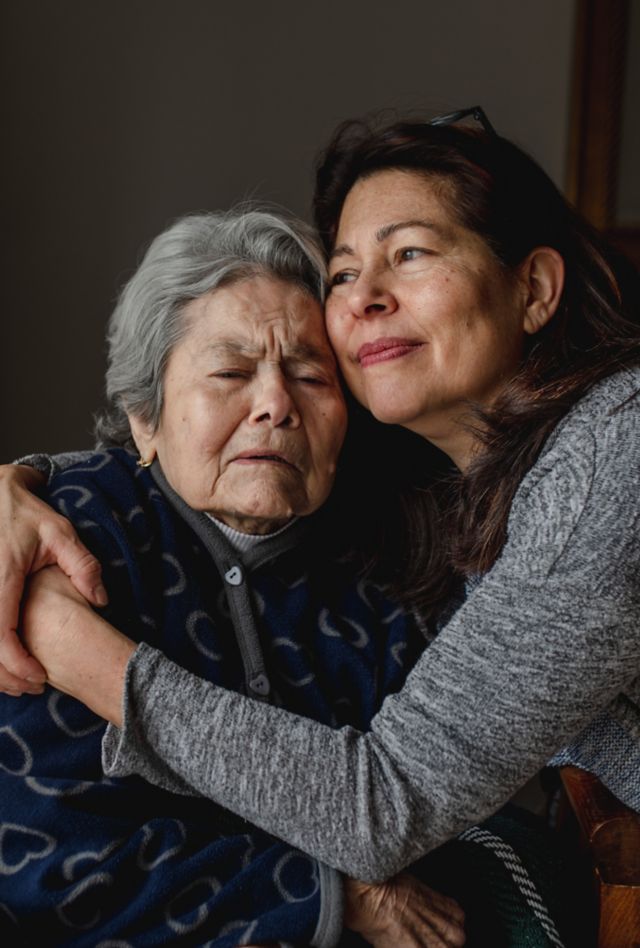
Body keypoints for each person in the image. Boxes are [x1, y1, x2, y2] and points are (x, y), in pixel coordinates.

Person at [4, 106, 640, 937]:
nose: (275, 404)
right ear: (144, 420)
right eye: (343, 274)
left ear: (535, 289)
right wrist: (18, 484)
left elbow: (386, 805)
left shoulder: (595, 465)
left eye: (409, 253)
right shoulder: (446, 501)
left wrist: (78, 649)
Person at [0, 207, 470, 947]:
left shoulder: (393, 560)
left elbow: (431, 812)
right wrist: (337, 896)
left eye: (311, 376)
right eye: (229, 372)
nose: (276, 404)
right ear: (144, 420)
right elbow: (55, 866)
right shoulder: (63, 541)